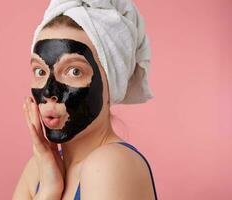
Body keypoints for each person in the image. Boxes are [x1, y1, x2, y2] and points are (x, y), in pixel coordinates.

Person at [13, 1, 157, 200]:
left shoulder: (111, 164)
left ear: (111, 80)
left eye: (74, 71)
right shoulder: (39, 170)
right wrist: (48, 189)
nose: (48, 91)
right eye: (40, 71)